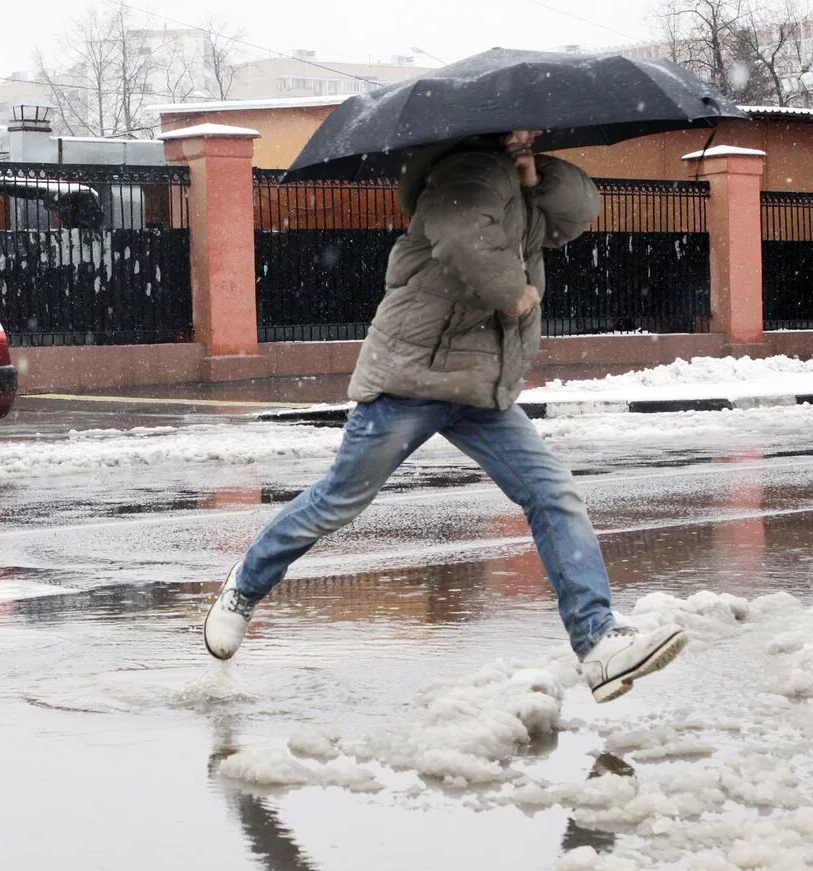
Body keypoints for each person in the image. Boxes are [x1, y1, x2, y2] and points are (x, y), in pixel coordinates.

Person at [204, 130, 686, 702]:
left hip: (480, 388)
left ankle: (598, 643)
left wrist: (536, 177)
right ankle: (245, 586)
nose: (528, 135)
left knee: (553, 494)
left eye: (534, 129)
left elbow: (574, 220)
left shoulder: (514, 175)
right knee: (341, 500)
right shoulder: (466, 171)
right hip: (414, 376)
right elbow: (462, 240)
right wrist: (514, 294)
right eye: (519, 129)